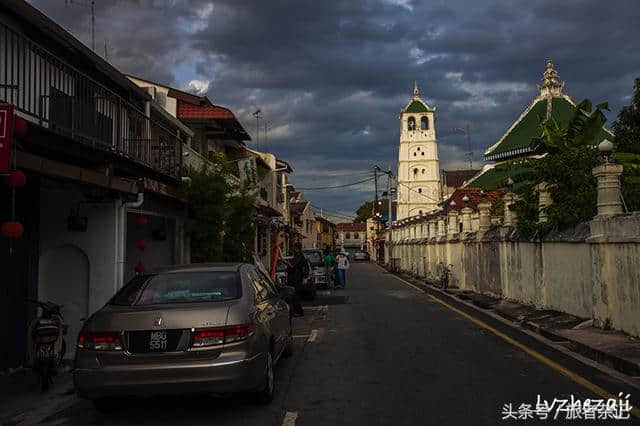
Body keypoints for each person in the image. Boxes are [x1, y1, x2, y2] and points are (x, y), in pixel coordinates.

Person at [286, 242, 308, 316]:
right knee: (295, 295)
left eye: (293, 247)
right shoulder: (299, 255)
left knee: (295, 295)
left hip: (296, 278)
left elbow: (293, 265)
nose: (292, 249)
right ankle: (296, 311)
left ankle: (299, 312)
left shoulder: (299, 256)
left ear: (296, 248)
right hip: (297, 278)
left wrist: (287, 263)